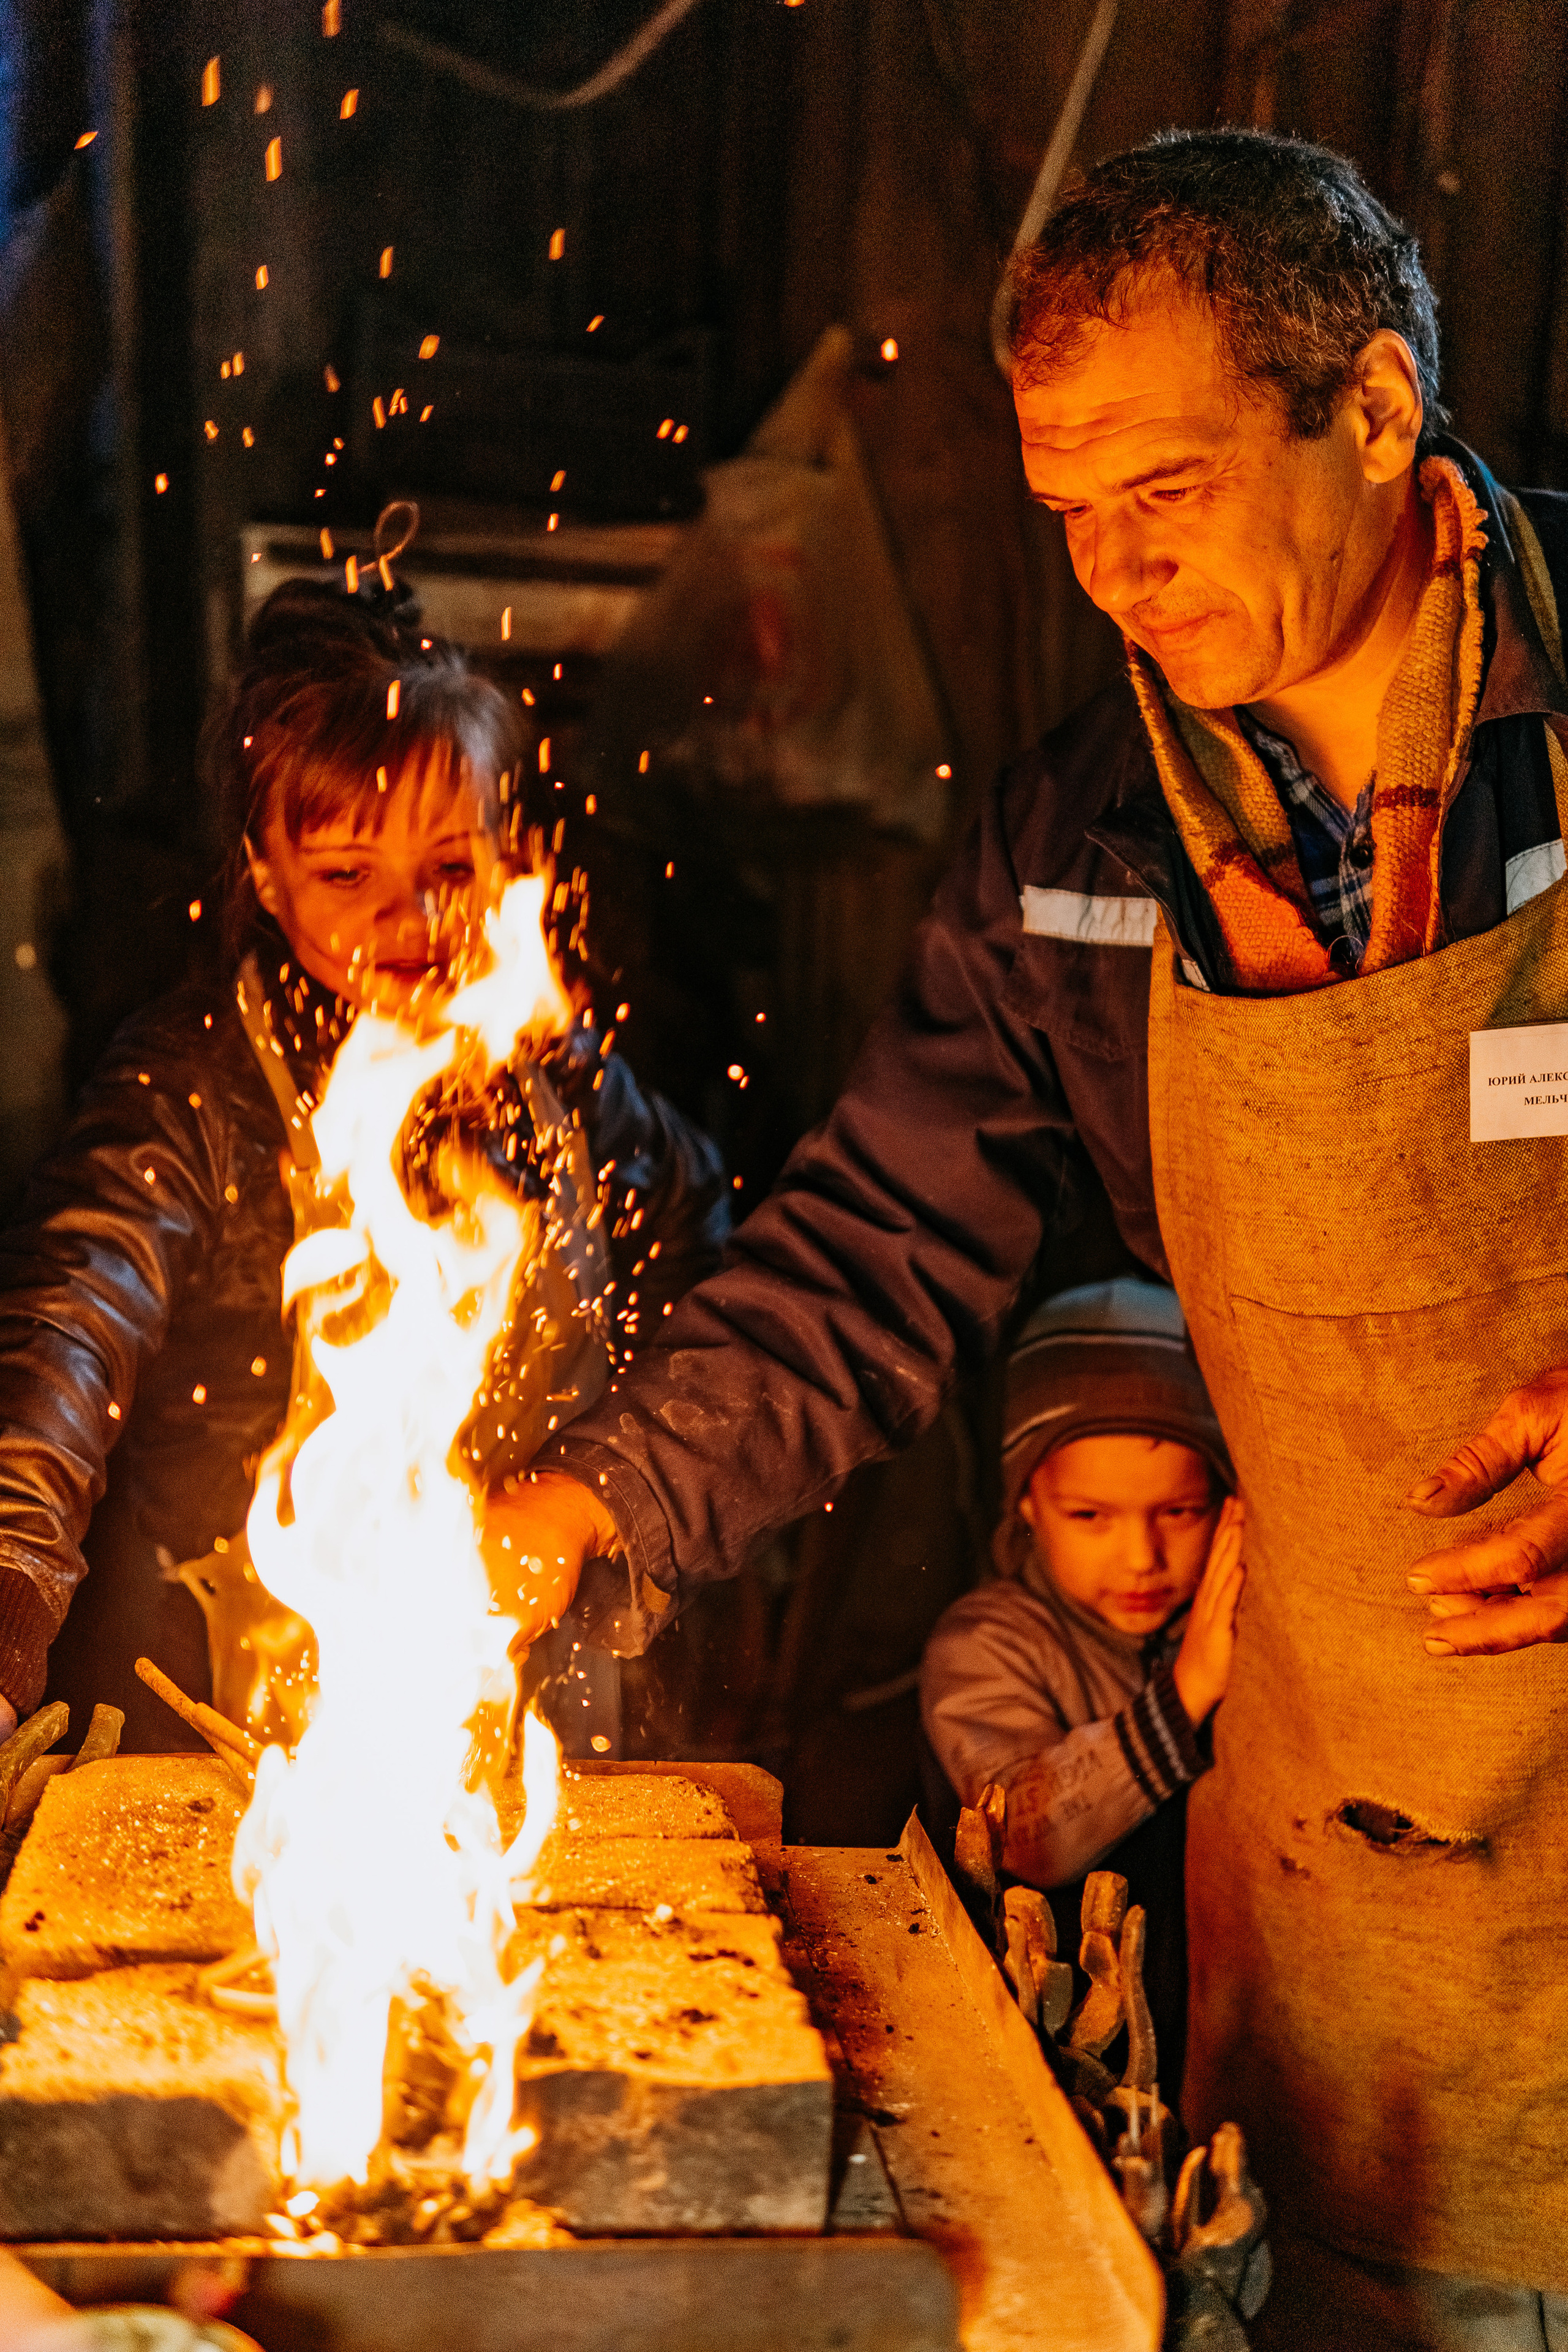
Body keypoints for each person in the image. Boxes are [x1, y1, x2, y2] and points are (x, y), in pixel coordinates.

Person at [484, 128, 1568, 2346]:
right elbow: (884, 1230)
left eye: (1161, 494)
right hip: (1341, 1850)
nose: (1113, 574)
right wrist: (604, 1492)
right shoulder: (1090, 837)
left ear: (1370, 410)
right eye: (1069, 515)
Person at [0, 575, 730, 1755]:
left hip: (535, 1683)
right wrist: (9, 1592)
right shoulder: (191, 1089)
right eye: (347, 874)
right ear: (266, 871)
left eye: (452, 868)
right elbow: (67, 1328)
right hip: (225, 1704)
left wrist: (625, 1486)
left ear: (515, 858)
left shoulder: (560, 1072)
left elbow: (707, 1264)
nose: (409, 921)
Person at [920, 1279, 1243, 2090]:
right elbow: (1021, 1834)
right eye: (1091, 1518)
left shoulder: (1247, 1621)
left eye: (1179, 1513)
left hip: (1226, 2029)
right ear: (1030, 1501)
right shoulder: (989, 1645)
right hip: (1051, 2056)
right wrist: (1187, 1692)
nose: (1141, 1558)